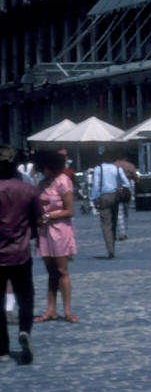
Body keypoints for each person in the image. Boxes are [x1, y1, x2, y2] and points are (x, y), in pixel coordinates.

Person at [0, 145, 39, 365]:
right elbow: (36, 221)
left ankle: (3, 349)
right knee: (26, 298)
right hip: (21, 254)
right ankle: (24, 330)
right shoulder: (28, 190)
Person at [33, 150, 77, 323]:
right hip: (44, 231)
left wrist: (49, 215)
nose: (40, 171)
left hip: (60, 230)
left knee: (62, 270)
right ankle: (50, 310)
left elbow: (70, 210)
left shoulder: (63, 181)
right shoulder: (42, 183)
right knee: (50, 272)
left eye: (42, 168)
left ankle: (67, 310)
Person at [88, 152, 130, 259]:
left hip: (104, 197)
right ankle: (113, 247)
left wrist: (93, 199)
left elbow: (96, 185)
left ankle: (110, 249)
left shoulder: (98, 169)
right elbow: (126, 183)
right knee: (114, 222)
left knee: (106, 224)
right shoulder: (117, 169)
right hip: (115, 196)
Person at [114, 156, 136, 241]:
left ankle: (121, 232)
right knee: (126, 211)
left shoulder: (114, 165)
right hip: (127, 189)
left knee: (119, 212)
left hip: (116, 188)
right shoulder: (130, 165)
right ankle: (125, 231)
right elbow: (135, 176)